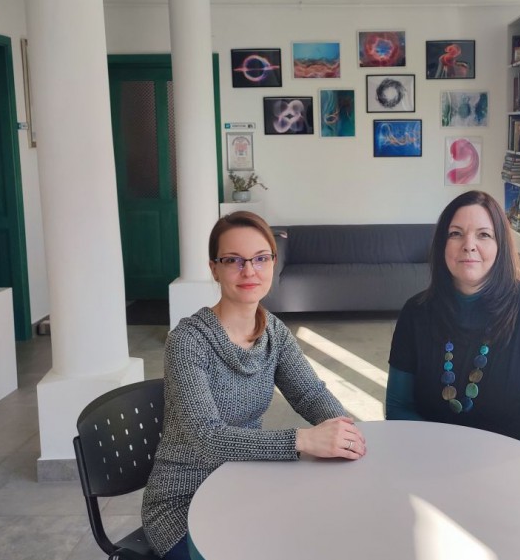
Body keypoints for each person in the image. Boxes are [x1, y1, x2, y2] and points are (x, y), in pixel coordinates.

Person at [385, 190, 520, 559]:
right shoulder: (416, 313)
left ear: (501, 245)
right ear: (441, 245)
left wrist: (512, 478)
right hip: (440, 484)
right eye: (456, 233)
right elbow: (399, 407)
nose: (468, 245)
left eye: (483, 234)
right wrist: (445, 469)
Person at [142, 211, 366, 560]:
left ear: (274, 263)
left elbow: (310, 394)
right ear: (214, 269)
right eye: (233, 260)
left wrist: (346, 432)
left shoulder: (273, 331)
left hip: (245, 483)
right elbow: (206, 437)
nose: (249, 271)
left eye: (261, 258)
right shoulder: (188, 341)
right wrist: (303, 440)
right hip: (184, 503)